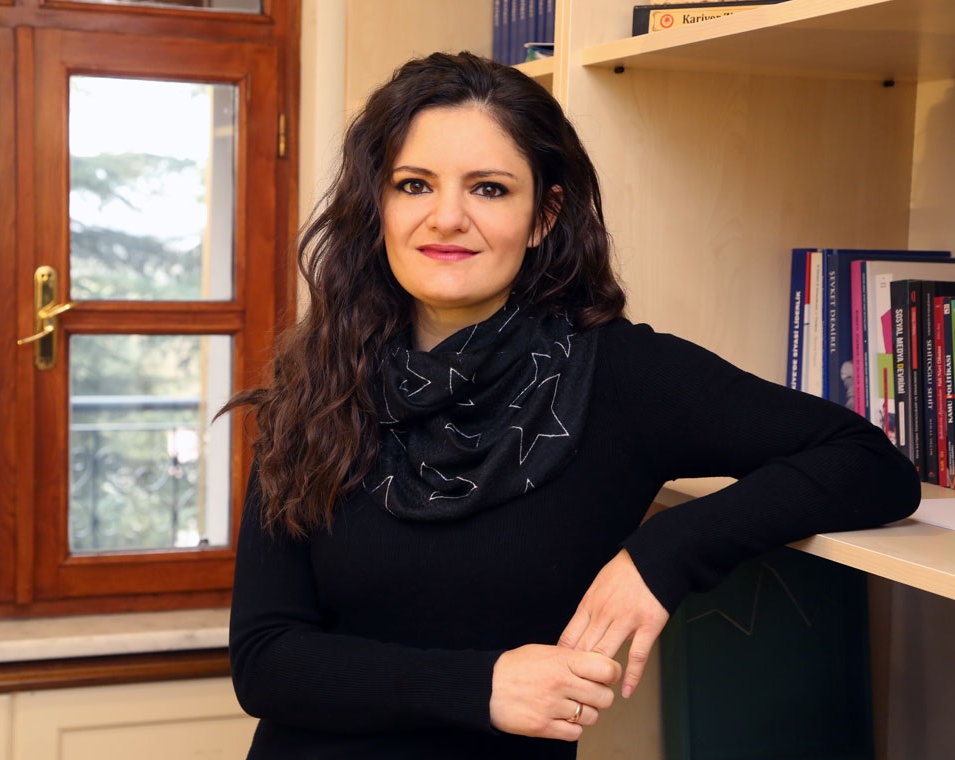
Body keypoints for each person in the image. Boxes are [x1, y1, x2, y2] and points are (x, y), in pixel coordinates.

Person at [223, 51, 920, 759]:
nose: (447, 217)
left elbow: (870, 464)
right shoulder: (318, 381)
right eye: (414, 185)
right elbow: (264, 660)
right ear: (379, 207)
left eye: (489, 189)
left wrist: (662, 554)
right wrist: (481, 687)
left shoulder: (620, 374)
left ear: (543, 216)